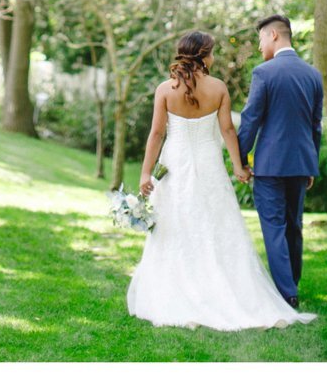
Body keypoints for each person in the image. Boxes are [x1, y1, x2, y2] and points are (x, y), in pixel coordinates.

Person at [126, 30, 315, 330]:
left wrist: (146, 173)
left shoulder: (165, 89)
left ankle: (179, 292)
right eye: (212, 52)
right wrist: (239, 167)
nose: (214, 57)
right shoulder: (218, 88)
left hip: (174, 164)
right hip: (209, 163)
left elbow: (157, 134)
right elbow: (228, 131)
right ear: (203, 55)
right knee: (215, 224)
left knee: (177, 225)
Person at [236, 13, 325, 310]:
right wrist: (310, 163)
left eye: (261, 39)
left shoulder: (264, 73)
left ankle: (287, 294)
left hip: (271, 166)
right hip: (300, 164)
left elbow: (250, 120)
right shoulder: (313, 75)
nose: (261, 46)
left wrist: (239, 159)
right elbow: (315, 125)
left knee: (274, 227)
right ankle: (292, 283)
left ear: (274, 35)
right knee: (293, 227)